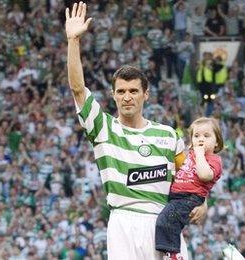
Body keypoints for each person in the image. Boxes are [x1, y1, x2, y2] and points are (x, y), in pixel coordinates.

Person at [65, 2, 206, 259]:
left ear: (146, 94)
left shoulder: (168, 135)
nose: (127, 97)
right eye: (121, 91)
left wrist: (203, 202)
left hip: (163, 221)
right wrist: (73, 40)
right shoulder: (103, 127)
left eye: (133, 91)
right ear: (113, 95)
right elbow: (77, 88)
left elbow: (191, 180)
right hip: (123, 221)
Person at [155, 117, 224, 259]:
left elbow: (205, 175)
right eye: (196, 136)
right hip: (177, 196)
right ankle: (169, 252)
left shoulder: (214, 160)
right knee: (167, 221)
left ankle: (174, 254)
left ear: (217, 142)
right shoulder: (189, 155)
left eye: (207, 136)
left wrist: (199, 154)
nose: (201, 139)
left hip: (189, 197)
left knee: (166, 220)